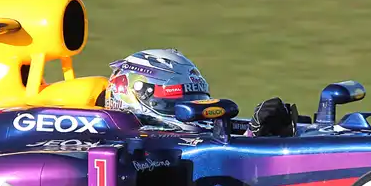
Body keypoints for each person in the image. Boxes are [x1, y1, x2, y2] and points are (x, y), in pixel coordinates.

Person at [105, 49, 296, 137]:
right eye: (174, 101)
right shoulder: (132, 147)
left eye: (195, 98)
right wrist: (252, 138)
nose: (192, 109)